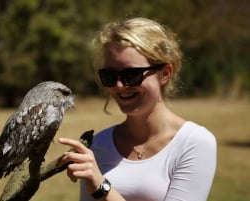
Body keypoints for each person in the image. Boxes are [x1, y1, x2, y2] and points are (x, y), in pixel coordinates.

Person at [59, 17, 217, 201]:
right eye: (109, 76)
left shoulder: (194, 143)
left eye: (131, 75)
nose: (119, 85)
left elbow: (99, 188)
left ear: (165, 73)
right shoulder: (97, 146)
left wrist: (101, 188)